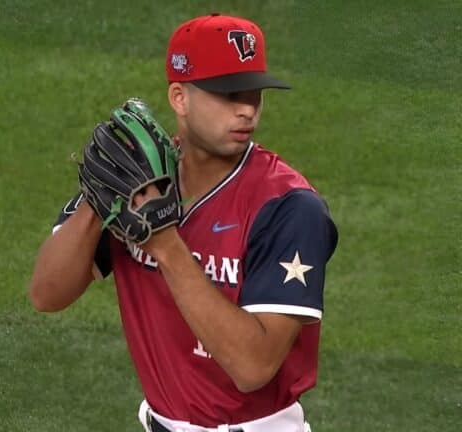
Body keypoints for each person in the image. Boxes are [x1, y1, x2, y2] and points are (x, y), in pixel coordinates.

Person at [29, 13, 338, 432]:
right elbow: (47, 294)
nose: (247, 108)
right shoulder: (140, 178)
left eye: (254, 93)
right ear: (180, 98)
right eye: (229, 94)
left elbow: (252, 367)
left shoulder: (289, 206)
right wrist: (96, 201)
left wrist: (167, 247)